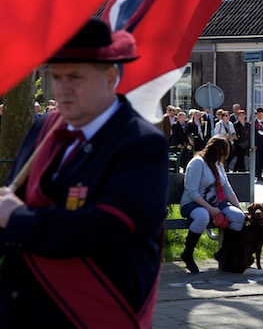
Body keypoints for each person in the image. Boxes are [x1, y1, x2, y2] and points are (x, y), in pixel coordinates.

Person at [0, 18, 169, 327]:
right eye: (57, 76)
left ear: (110, 77)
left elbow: (103, 229)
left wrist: (16, 218)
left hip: (92, 315)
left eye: (75, 76)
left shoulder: (141, 143)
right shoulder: (44, 128)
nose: (62, 89)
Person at [179, 136, 246, 273]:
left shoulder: (218, 166)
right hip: (193, 203)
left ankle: (223, 254)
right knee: (203, 216)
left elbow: (227, 190)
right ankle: (188, 253)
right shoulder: (197, 163)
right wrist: (210, 209)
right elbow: (192, 191)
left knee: (238, 217)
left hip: (215, 203)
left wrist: (241, 209)